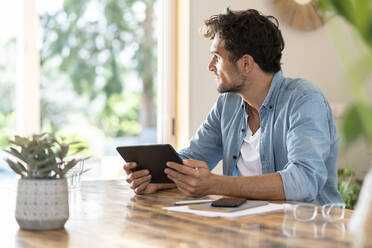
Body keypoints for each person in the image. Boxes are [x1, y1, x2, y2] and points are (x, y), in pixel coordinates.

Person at [124, 8, 343, 204]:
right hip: (245, 227)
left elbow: (304, 180)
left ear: (246, 63)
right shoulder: (227, 104)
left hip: (309, 232)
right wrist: (157, 178)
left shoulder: (304, 100)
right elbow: (193, 157)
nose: (210, 66)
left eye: (216, 57)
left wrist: (215, 184)